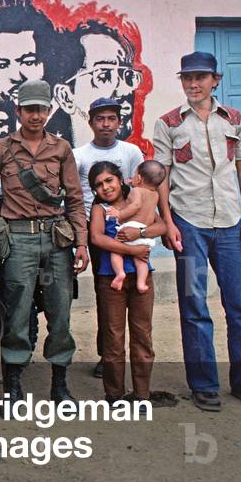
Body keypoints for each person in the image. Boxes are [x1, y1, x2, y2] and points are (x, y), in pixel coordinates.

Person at [152, 51, 241, 412]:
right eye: (188, 78)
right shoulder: (169, 123)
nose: (193, 83)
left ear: (215, 80)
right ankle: (204, 385)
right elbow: (162, 178)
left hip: (231, 226)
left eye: (201, 77)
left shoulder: (233, 119)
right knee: (194, 304)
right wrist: (169, 223)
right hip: (189, 227)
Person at [0, 80, 89, 402]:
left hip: (56, 241)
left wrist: (81, 243)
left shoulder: (61, 148)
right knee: (17, 315)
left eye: (41, 109)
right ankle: (13, 384)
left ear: (49, 111)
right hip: (18, 242)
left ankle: (60, 384)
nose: (35, 115)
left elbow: (75, 200)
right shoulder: (0, 149)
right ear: (18, 111)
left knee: (60, 313)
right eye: (29, 109)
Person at [73, 97, 146, 378]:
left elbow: (142, 190)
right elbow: (75, 198)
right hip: (97, 230)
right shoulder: (79, 155)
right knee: (108, 293)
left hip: (130, 227)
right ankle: (109, 355)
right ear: (91, 122)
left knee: (137, 288)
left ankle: (138, 355)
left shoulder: (131, 153)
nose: (106, 124)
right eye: (100, 119)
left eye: (111, 119)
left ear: (119, 122)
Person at [87, 161, 155, 403]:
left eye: (109, 180)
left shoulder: (138, 201)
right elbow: (97, 238)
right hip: (111, 280)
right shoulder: (99, 209)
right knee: (113, 336)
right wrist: (132, 251)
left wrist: (142, 234)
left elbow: (162, 225)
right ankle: (114, 394)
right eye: (98, 185)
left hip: (142, 278)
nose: (105, 188)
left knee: (142, 335)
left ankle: (142, 395)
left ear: (120, 179)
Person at [49, 21, 143, 147]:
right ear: (66, 97)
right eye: (103, 76)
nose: (124, 90)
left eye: (128, 76)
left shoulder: (133, 157)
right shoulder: (52, 159)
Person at [103, 160, 165, 294]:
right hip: (144, 232)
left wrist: (119, 214)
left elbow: (135, 206)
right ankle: (141, 283)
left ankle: (119, 273)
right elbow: (144, 206)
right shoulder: (155, 195)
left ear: (139, 178)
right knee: (141, 260)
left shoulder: (136, 191)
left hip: (131, 227)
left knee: (116, 251)